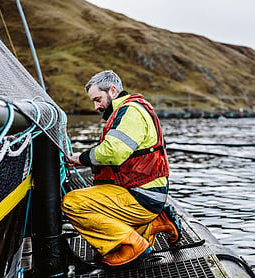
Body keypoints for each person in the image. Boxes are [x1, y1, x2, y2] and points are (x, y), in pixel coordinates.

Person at [62, 70, 182, 267]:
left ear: (113, 90)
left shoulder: (130, 112)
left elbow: (113, 152)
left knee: (73, 203)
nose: (96, 106)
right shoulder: (128, 110)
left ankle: (134, 247)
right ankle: (157, 222)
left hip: (141, 195)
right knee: (103, 211)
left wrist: (80, 158)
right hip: (145, 193)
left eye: (98, 99)